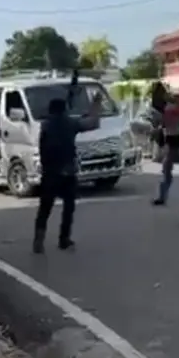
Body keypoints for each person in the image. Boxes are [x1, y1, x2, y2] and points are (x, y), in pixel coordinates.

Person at [33, 90, 103, 254]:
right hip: (67, 171)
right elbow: (93, 123)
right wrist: (96, 104)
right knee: (68, 207)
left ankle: (38, 241)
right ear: (64, 109)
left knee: (45, 208)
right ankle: (64, 239)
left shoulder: (45, 125)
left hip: (50, 172)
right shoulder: (70, 123)